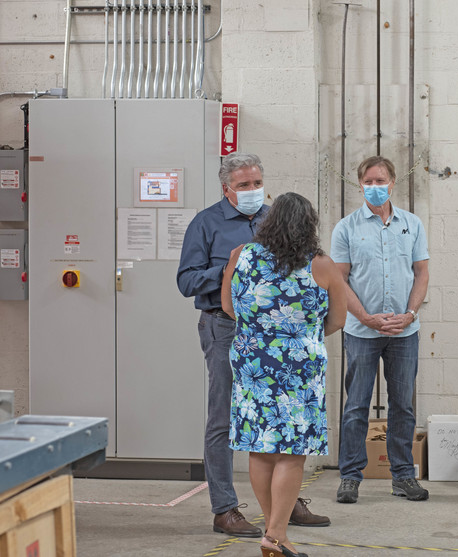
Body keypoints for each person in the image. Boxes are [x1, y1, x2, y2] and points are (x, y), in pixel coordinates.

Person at [177, 153, 330, 537]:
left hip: (280, 337)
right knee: (226, 417)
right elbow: (186, 282)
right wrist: (229, 268)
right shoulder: (206, 223)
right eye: (244, 185)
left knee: (282, 419)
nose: (252, 191)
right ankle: (224, 508)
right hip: (226, 327)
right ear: (226, 188)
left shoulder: (272, 219)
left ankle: (285, 503)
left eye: (257, 183)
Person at [221, 192, 346, 557]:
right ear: (310, 225)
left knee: (260, 450)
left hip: (251, 365)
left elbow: (228, 306)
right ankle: (275, 535)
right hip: (299, 370)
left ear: (269, 221)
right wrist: (299, 334)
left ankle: (274, 532)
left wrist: (261, 334)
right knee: (291, 453)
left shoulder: (241, 255)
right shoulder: (321, 264)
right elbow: (337, 319)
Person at [330, 155, 430, 504]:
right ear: (360, 185)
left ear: (393, 182)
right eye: (369, 181)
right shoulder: (346, 228)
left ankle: (403, 476)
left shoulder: (412, 225)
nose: (375, 186)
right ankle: (350, 476)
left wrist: (410, 313)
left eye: (381, 180)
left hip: (404, 332)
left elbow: (422, 272)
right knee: (356, 405)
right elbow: (339, 280)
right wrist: (366, 317)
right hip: (361, 331)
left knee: (402, 405)